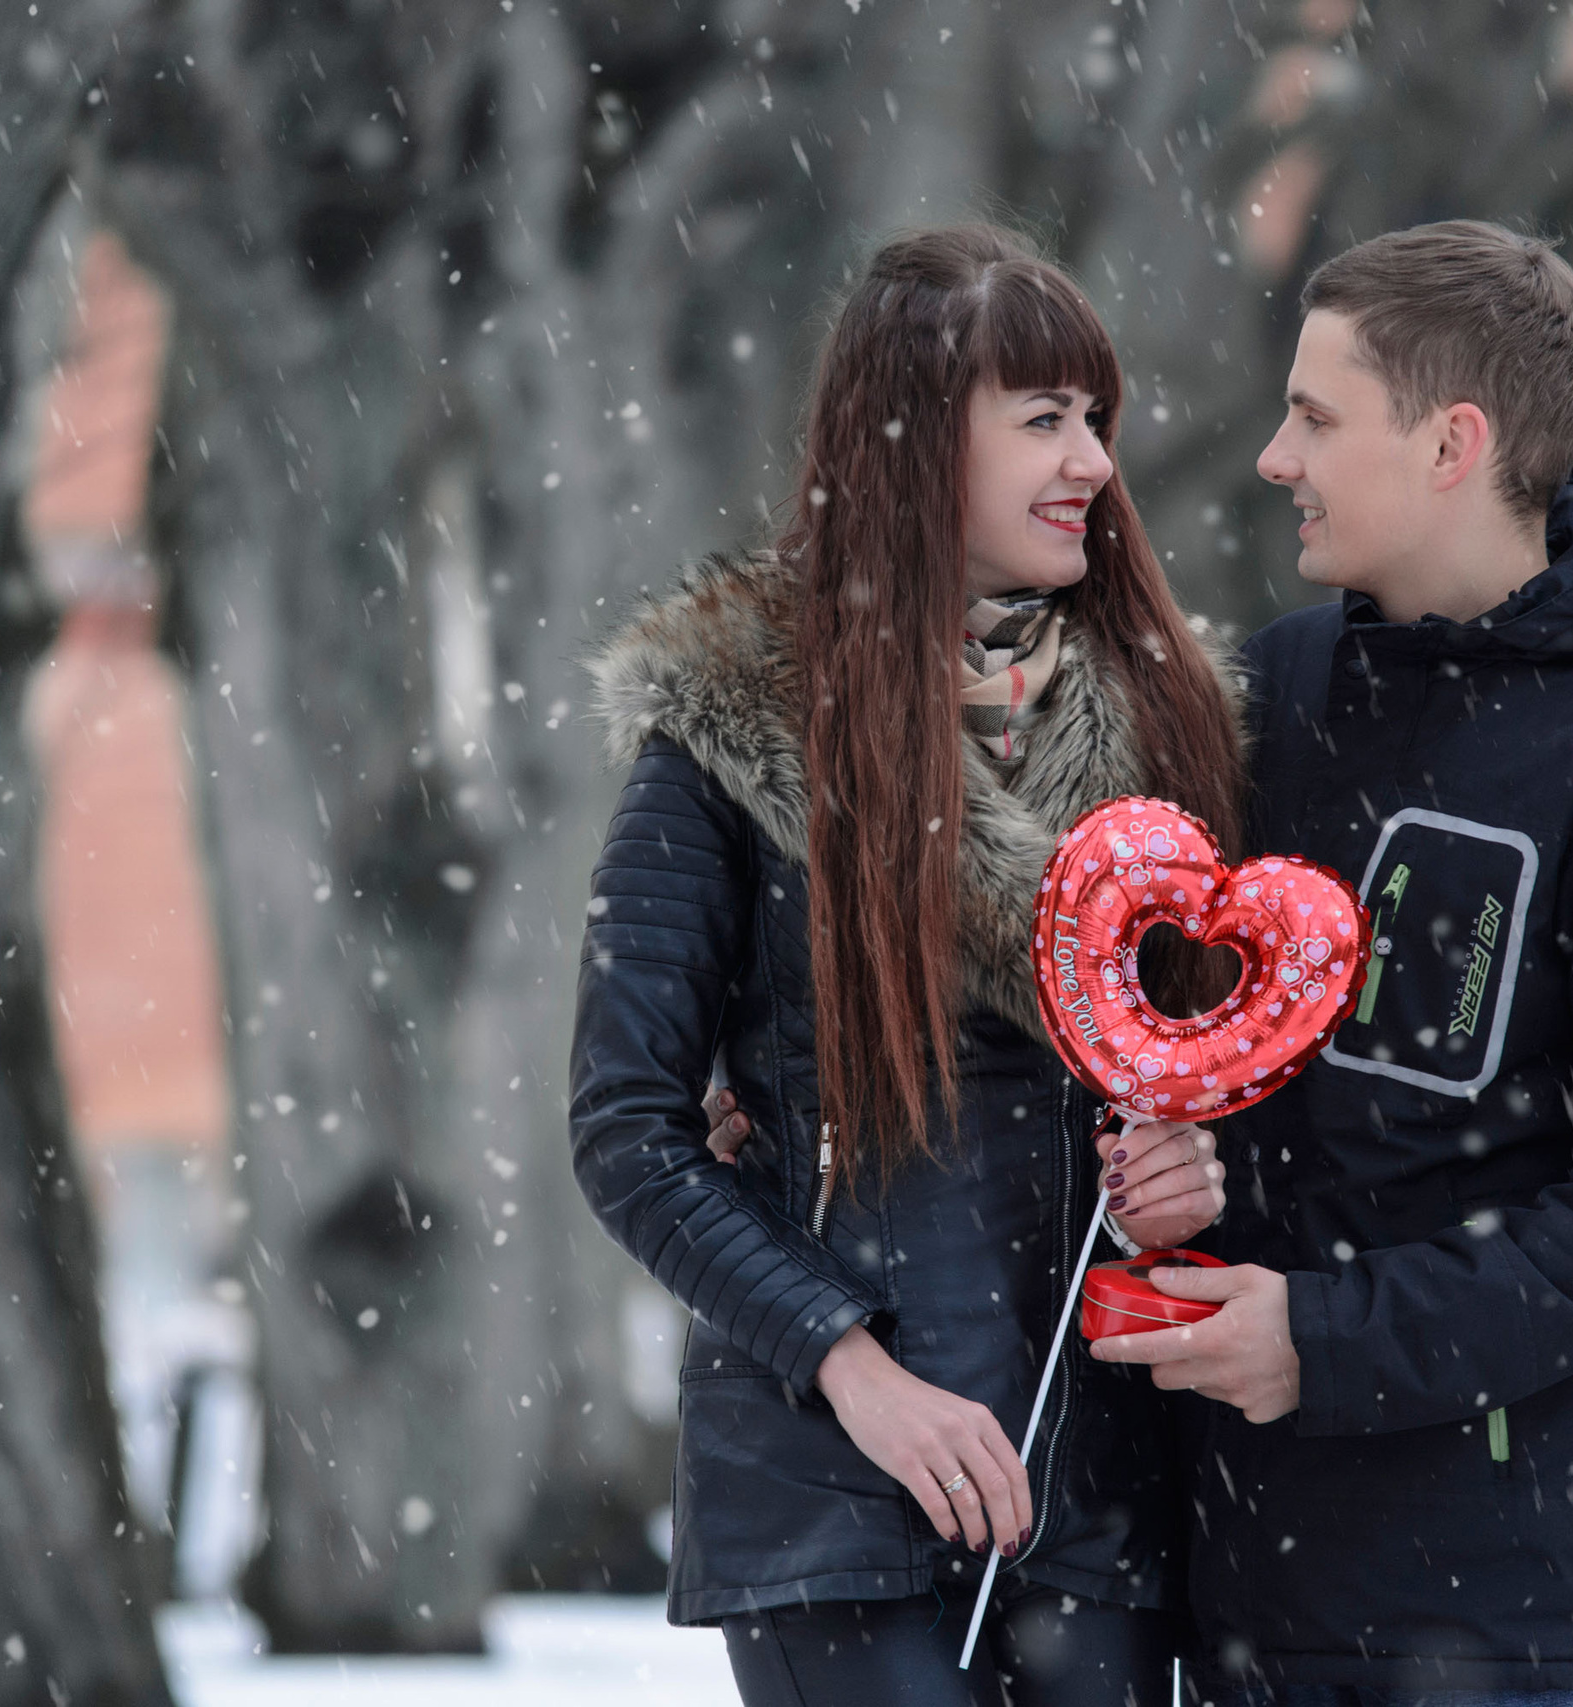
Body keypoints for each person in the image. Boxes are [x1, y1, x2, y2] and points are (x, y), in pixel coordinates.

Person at [1089, 221, 1573, 1704]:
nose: (1276, 457)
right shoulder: (1278, 691)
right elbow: (1125, 988)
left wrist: (1330, 1342)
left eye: (1317, 416)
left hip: (1505, 1620)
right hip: (1230, 1592)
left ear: (1450, 445)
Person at [570, 224, 1248, 1706]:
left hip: (1094, 1476)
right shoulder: (731, 732)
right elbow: (627, 1129)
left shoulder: (1174, 729)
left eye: (1097, 419)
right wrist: (851, 1367)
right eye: (1044, 419)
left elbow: (1223, 1075)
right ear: (918, 440)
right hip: (831, 1488)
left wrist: (1194, 1172)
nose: (1093, 463)